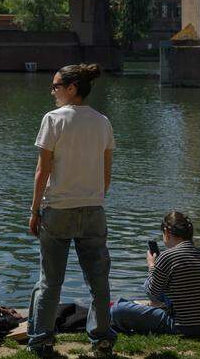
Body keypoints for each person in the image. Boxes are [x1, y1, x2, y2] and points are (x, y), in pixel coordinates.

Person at [27, 63, 117, 358]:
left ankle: (41, 341)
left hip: (59, 209)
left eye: (55, 86)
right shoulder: (103, 121)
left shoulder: (53, 120)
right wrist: (94, 197)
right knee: (99, 281)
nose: (52, 92)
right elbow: (107, 174)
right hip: (94, 209)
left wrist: (34, 210)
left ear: (71, 88)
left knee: (50, 281)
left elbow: (42, 172)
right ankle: (102, 340)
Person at [110, 211, 200, 338]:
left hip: (183, 326)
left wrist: (152, 266)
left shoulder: (168, 256)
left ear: (167, 233)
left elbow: (151, 292)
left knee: (117, 310)